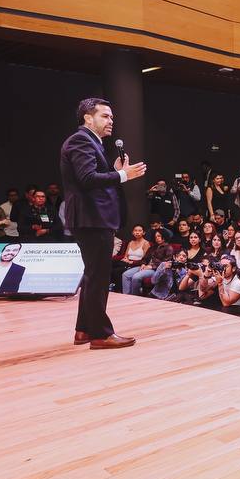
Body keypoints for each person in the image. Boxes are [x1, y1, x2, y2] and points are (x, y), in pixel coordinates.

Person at [61, 97, 147, 348]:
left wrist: (113, 168)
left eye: (111, 117)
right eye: (105, 116)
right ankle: (101, 334)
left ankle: (84, 330)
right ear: (88, 118)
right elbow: (87, 179)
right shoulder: (81, 140)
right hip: (92, 218)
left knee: (93, 275)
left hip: (92, 217)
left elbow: (90, 176)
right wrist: (122, 174)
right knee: (98, 277)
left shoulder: (90, 142)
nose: (111, 121)